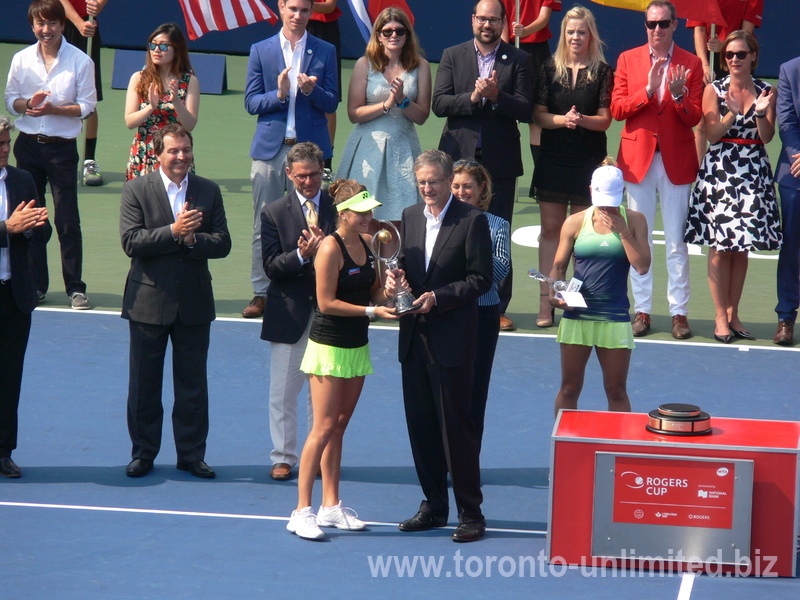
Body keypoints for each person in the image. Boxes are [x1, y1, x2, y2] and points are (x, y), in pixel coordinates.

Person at [386, 149, 493, 543]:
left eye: (433, 181)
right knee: (422, 428)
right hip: (414, 338)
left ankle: (471, 513)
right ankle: (433, 506)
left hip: (452, 341)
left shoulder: (473, 221)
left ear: (449, 181)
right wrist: (395, 285)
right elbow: (406, 269)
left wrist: (440, 296)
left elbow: (481, 279)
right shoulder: (411, 217)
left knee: (456, 432)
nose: (427, 188)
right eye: (422, 182)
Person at [120, 123, 231, 479]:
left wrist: (194, 240)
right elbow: (131, 242)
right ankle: (143, 453)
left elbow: (224, 242)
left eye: (185, 150)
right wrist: (173, 232)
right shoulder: (136, 189)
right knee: (144, 386)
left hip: (194, 304)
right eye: (173, 151)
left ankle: (191, 455)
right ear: (158, 153)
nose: (181, 156)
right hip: (148, 303)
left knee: (193, 386)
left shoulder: (208, 191)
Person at [287, 181, 395, 540]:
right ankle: (301, 511)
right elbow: (325, 302)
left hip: (357, 345)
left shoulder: (367, 243)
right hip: (329, 347)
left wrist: (388, 292)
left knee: (340, 425)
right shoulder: (330, 248)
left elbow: (376, 291)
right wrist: (372, 310)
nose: (369, 216)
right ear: (344, 213)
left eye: (370, 210)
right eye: (362, 211)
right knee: (323, 426)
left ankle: (330, 506)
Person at [432, 0, 534, 332]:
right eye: (482, 19)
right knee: (449, 231)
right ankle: (448, 295)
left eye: (493, 19)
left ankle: (497, 305)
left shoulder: (520, 59)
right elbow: (439, 103)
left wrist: (496, 96)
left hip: (500, 163)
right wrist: (473, 98)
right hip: (457, 159)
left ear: (504, 22)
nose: (487, 25)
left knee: (497, 232)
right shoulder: (452, 55)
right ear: (472, 20)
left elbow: (526, 109)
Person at [610, 0, 703, 339]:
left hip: (676, 161)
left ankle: (679, 313)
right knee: (639, 238)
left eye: (664, 24)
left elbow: (695, 118)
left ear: (675, 25)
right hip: (638, 162)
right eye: (652, 24)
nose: (657, 30)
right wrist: (648, 90)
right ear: (645, 26)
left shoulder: (691, 63)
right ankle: (643, 311)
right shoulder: (627, 60)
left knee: (677, 241)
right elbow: (618, 109)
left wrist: (679, 98)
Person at [242, 0, 338, 319]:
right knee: (263, 224)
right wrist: (280, 94)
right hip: (270, 151)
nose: (298, 16)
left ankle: (314, 284)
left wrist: (311, 91)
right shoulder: (260, 49)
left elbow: (332, 100)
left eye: (305, 11)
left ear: (312, 13)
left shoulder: (325, 49)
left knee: (315, 221)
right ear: (281, 7)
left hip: (309, 151)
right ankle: (261, 292)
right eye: (292, 9)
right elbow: (252, 102)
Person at [685, 31, 780, 343]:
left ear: (753, 56)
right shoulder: (714, 89)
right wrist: (733, 113)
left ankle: (733, 312)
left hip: (753, 170)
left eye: (741, 54)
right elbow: (711, 134)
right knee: (720, 246)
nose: (734, 60)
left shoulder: (767, 90)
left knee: (741, 248)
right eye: (729, 55)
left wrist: (762, 112)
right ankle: (719, 316)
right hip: (721, 170)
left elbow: (766, 137)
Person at [4, 0, 96, 310]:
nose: (47, 30)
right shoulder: (20, 59)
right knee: (33, 218)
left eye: (52, 24)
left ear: (62, 25)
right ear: (33, 27)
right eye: (40, 24)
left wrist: (54, 108)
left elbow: (86, 107)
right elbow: (10, 100)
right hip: (28, 146)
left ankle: (75, 287)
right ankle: (37, 285)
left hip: (61, 149)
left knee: (68, 220)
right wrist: (28, 105)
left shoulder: (81, 61)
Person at [531, 4, 613, 328]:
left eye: (581, 31)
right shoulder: (549, 68)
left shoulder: (603, 72)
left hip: (587, 161)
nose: (575, 36)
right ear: (563, 34)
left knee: (580, 235)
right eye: (570, 31)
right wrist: (561, 120)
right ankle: (546, 302)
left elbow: (605, 120)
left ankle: (574, 299)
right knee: (551, 231)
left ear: (590, 34)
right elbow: (538, 114)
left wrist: (581, 121)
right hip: (553, 158)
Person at [260, 142, 336, 481]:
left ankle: (316, 455)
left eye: (315, 174)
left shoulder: (339, 209)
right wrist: (303, 255)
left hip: (329, 314)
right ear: (289, 175)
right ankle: (283, 457)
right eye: (302, 176)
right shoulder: (274, 212)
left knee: (321, 393)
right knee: (283, 392)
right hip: (289, 314)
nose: (309, 181)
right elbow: (272, 266)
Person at [549, 162, 650, 416]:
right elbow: (559, 267)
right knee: (570, 389)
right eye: (602, 199)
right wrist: (558, 293)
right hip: (577, 318)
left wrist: (624, 232)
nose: (606, 206)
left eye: (612, 200)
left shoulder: (636, 221)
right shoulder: (574, 222)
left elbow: (642, 266)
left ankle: (617, 451)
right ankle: (563, 448)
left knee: (616, 391)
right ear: (590, 191)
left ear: (623, 192)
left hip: (614, 317)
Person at [337, 7, 431, 222]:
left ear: (408, 35)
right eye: (387, 31)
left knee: (401, 217)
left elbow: (422, 116)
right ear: (378, 36)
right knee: (362, 216)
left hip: (403, 146)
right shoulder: (364, 64)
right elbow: (354, 113)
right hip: (368, 147)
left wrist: (402, 100)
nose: (394, 35)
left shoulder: (421, 66)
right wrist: (387, 104)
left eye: (399, 31)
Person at [0, 116, 51, 479]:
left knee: (9, 377)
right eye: (0, 144)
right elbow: (11, 228)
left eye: (6, 143)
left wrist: (35, 227)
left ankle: (3, 451)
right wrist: (7, 228)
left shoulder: (22, 179)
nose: (5, 150)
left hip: (14, 296)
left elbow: (40, 232)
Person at [451, 159, 509, 450]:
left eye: (468, 186)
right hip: (450, 314)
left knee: (476, 387)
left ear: (481, 188)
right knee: (450, 387)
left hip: (484, 314)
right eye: (456, 186)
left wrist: (462, 264)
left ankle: (468, 457)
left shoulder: (497, 225)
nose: (462, 192)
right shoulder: (442, 223)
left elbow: (497, 273)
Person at [687, 0, 763, 163]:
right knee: (702, 123)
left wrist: (723, 46)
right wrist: (704, 65)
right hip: (707, 58)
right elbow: (699, 29)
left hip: (738, 57)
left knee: (739, 121)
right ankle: (702, 173)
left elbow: (746, 35)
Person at [124, 23, 199, 180]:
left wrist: (177, 102)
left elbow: (190, 125)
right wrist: (151, 107)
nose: (156, 50)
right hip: (145, 152)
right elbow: (130, 122)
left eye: (164, 46)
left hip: (175, 154)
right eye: (153, 45)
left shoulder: (189, 81)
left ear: (177, 49)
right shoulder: (139, 78)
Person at [501, 0, 562, 177]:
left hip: (537, 53)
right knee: (506, 113)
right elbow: (502, 18)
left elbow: (544, 18)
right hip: (510, 49)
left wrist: (524, 31)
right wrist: (506, 49)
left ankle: (541, 177)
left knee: (536, 117)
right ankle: (504, 175)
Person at [59, 0, 108, 185]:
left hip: (88, 27)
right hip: (56, 23)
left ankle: (89, 161)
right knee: (53, 93)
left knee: (89, 99)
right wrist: (78, 22)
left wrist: (99, 4)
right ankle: (52, 158)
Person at [774, 55, 800, 346]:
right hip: (795, 173)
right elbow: (786, 121)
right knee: (792, 247)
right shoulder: (789, 69)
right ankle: (786, 318)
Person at [307, 0, 341, 169]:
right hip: (300, 27)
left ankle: (326, 161)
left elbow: (329, 6)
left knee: (328, 99)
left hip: (324, 32)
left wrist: (304, 4)